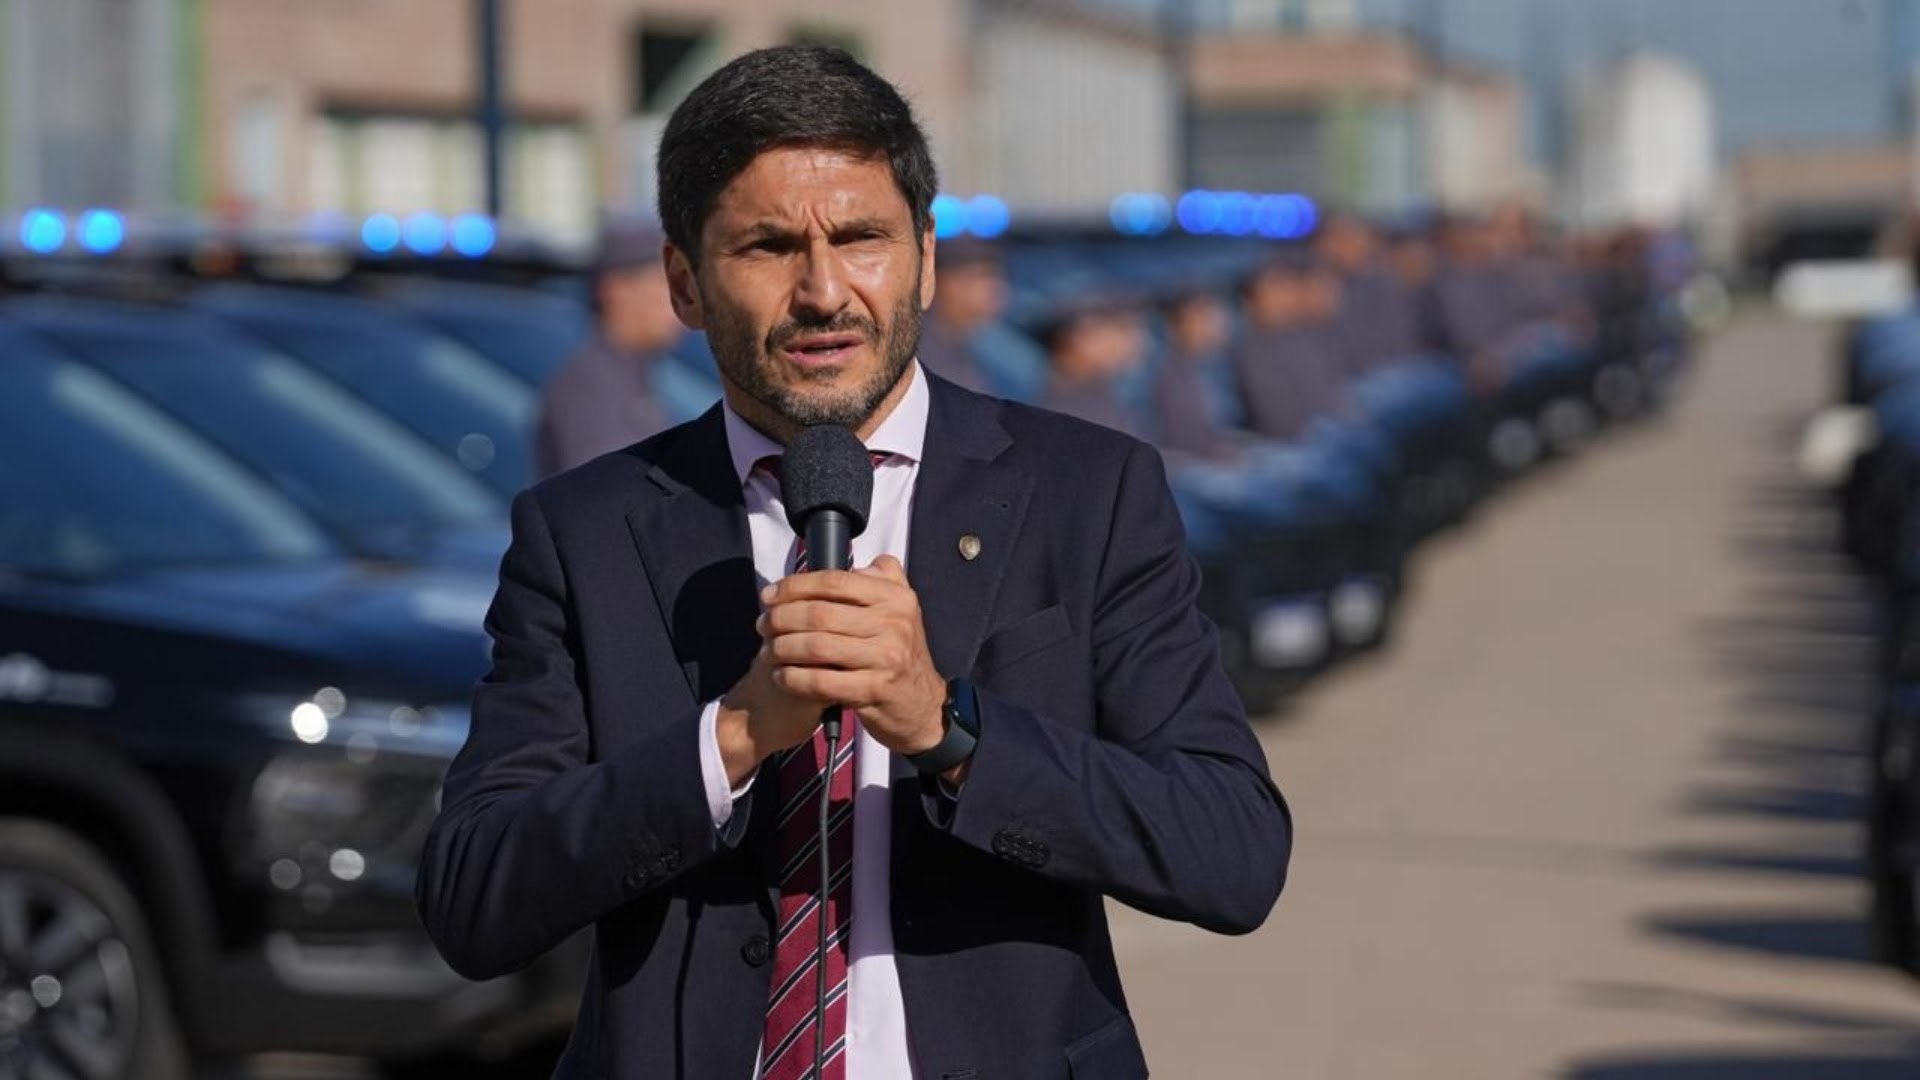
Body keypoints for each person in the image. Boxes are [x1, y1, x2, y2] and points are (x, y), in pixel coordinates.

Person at [416, 44, 1291, 1080]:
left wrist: (949, 730)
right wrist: (732, 737)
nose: (824, 291)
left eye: (861, 238)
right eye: (769, 246)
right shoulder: (586, 529)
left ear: (925, 255)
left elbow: (1231, 854)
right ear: (685, 282)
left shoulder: (1086, 493)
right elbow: (474, 897)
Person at [531, 218, 688, 477]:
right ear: (615, 290)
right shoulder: (591, 386)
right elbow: (606, 493)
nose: (684, 297)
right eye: (665, 284)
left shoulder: (629, 374)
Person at [917, 237, 1006, 394]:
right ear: (947, 284)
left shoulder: (972, 346)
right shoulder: (919, 354)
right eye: (982, 276)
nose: (997, 290)